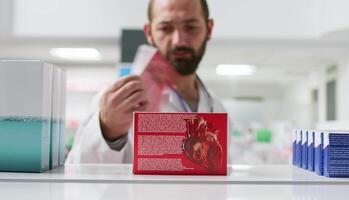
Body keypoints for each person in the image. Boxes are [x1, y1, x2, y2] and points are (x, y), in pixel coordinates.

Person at [66, 0, 230, 164]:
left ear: (209, 29)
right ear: (149, 33)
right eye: (165, 28)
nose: (178, 40)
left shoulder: (216, 106)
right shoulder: (119, 101)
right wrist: (109, 130)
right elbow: (77, 172)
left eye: (191, 27)